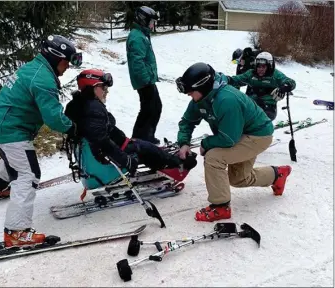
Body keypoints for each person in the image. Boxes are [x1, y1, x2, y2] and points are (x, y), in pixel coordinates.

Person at [0, 35, 82, 247]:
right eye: (66, 61)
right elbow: (53, 117)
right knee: (27, 174)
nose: (67, 67)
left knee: (15, 159)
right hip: (10, 129)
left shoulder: (33, 67)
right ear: (56, 58)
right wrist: (73, 128)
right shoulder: (43, 79)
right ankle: (16, 232)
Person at [175, 62, 292, 222]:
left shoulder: (226, 100)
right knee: (239, 178)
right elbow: (187, 121)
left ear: (202, 88)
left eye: (191, 92)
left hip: (258, 135)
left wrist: (206, 144)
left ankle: (220, 207)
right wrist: (184, 143)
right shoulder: (200, 99)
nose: (189, 96)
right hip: (241, 134)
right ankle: (277, 175)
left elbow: (228, 139)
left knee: (214, 157)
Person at [64, 69, 197, 189]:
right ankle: (178, 165)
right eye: (103, 87)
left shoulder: (78, 105)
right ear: (92, 88)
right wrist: (125, 160)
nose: (106, 91)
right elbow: (103, 142)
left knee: (142, 145)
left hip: (101, 155)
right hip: (105, 162)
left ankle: (169, 160)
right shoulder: (93, 109)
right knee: (145, 149)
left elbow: (103, 127)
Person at [126, 6, 162, 145]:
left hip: (147, 79)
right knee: (149, 109)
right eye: (151, 21)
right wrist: (146, 79)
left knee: (154, 107)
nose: (153, 24)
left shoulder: (141, 34)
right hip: (144, 80)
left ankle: (146, 136)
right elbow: (137, 62)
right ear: (143, 20)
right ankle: (140, 138)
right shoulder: (137, 37)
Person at [227, 51, 296, 121]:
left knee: (260, 116)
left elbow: (291, 82)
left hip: (268, 106)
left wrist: (283, 88)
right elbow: (236, 79)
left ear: (269, 66)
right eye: (258, 66)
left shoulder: (275, 75)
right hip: (251, 103)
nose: (260, 69)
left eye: (263, 66)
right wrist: (225, 79)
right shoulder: (251, 73)